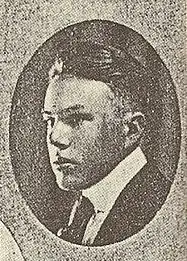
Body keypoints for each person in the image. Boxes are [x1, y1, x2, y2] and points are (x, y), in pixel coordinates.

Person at [42, 42, 171, 246]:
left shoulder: (162, 210)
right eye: (50, 121)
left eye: (76, 119)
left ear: (131, 130)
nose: (54, 138)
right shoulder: (83, 209)